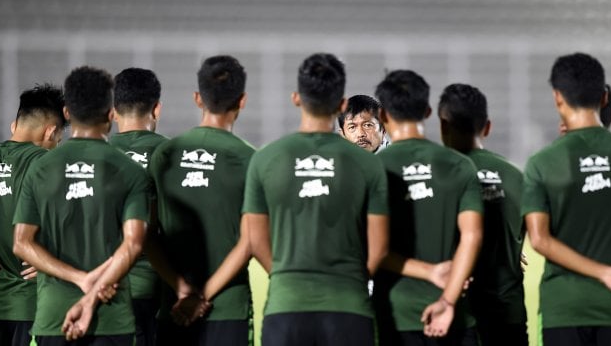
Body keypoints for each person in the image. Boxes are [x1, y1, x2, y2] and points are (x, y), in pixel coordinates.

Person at [199, 53, 389, 346]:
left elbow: (254, 238)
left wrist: (286, 277)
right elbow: (379, 247)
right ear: (341, 105)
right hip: (348, 307)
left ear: (296, 98)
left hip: (286, 309)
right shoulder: (368, 165)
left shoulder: (265, 159)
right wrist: (351, 281)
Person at [13, 66, 151, 345]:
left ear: (67, 113)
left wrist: (80, 279)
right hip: (111, 318)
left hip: (54, 317)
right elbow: (134, 244)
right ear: (111, 113)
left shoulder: (41, 169)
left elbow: (22, 243)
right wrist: (94, 287)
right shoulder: (130, 170)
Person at [522, 52, 611, 346]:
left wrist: (603, 273)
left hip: (564, 311)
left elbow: (539, 240)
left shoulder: (542, 163)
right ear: (604, 98)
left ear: (557, 98)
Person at [146, 55, 253, 346]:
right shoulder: (250, 160)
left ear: (197, 98)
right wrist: (204, 294)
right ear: (242, 100)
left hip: (174, 308)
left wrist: (183, 290)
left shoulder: (164, 155)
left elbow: (147, 236)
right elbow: (249, 242)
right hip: (228, 309)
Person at [372, 70, 483, 346]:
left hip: (396, 315)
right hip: (454, 315)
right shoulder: (460, 165)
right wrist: (447, 300)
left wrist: (429, 271)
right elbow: (473, 236)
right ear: (428, 110)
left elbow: (370, 247)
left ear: (383, 116)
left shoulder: (373, 168)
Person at [438, 83, 527, 346]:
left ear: (443, 125)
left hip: (456, 312)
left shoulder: (435, 174)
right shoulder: (515, 176)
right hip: (507, 312)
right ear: (487, 126)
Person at [0, 84, 67, 346]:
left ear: (15, 125)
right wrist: (53, 257)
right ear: (51, 131)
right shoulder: (47, 164)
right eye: (58, 140)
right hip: (30, 307)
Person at [108, 68, 168, 346]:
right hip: (157, 291)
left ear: (113, 111)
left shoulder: (91, 155)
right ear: (156, 108)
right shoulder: (174, 153)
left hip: (100, 289)